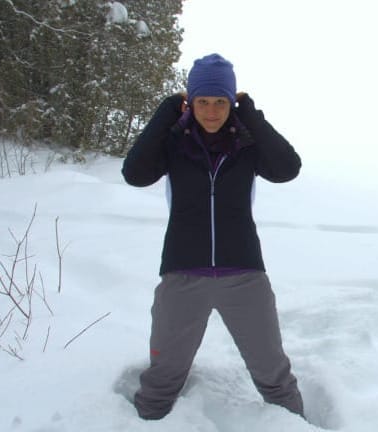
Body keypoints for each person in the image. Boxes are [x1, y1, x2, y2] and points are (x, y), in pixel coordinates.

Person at [121, 53, 304, 420]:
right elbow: (135, 173)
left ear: (230, 103)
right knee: (162, 380)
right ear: (191, 101)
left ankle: (296, 426)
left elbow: (287, 168)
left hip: (244, 275)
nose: (211, 110)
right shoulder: (173, 143)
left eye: (220, 101)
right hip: (183, 274)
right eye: (202, 101)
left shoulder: (248, 145)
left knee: (274, 377)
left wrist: (250, 114)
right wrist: (164, 114)